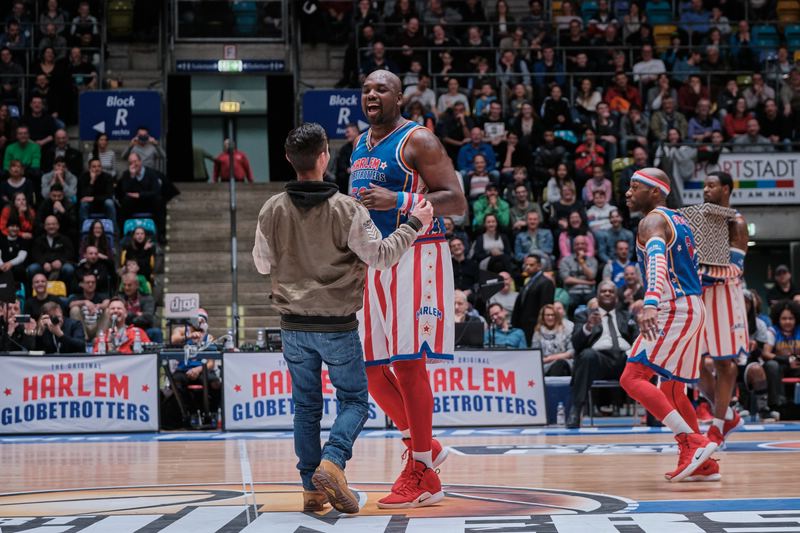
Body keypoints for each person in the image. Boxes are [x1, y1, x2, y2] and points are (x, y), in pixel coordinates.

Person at [253, 122, 434, 514]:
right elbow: (382, 257)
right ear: (323, 158)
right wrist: (414, 224)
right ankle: (333, 462)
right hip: (336, 324)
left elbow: (261, 263)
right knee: (354, 401)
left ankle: (311, 491)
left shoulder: (271, 209)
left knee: (305, 407)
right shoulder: (346, 209)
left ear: (288, 159)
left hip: (293, 327)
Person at [352, 70, 467, 508]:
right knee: (370, 369)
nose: (371, 95)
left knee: (408, 364)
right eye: (366, 90)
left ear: (399, 96)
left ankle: (423, 472)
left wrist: (399, 201)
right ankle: (426, 446)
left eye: (381, 88)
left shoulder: (419, 140)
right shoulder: (361, 145)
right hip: (374, 259)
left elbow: (455, 200)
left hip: (417, 255)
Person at [620, 167, 718, 482]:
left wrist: (650, 302)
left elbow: (658, 261)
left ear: (656, 192)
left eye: (635, 186)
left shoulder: (651, 220)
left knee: (632, 377)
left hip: (672, 307)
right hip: (693, 305)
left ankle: (693, 441)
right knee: (672, 387)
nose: (627, 192)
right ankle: (701, 464)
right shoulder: (682, 221)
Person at [694, 172, 749, 447]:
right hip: (703, 296)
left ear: (725, 189)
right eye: (704, 185)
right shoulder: (704, 224)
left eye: (711, 185)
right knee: (695, 366)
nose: (705, 190)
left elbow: (736, 268)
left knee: (724, 362)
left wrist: (700, 273)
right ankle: (726, 413)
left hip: (726, 297)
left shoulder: (736, 222)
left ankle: (716, 428)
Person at [568, 281, 638, 427]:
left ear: (616, 297)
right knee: (587, 355)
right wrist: (588, 326)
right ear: (597, 295)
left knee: (644, 359)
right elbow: (576, 343)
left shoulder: (626, 316)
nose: (607, 293)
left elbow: (637, 338)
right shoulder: (584, 315)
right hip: (599, 361)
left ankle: (654, 416)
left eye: (611, 291)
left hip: (624, 360)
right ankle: (576, 410)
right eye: (604, 291)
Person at [761, 300, 800, 412]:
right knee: (772, 365)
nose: (787, 321)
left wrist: (793, 359)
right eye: (784, 318)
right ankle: (777, 405)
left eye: (791, 318)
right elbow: (765, 353)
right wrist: (786, 360)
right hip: (780, 365)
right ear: (778, 319)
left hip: (797, 364)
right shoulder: (772, 331)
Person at [512, 254, 555, 345]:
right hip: (523, 325)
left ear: (539, 266)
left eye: (531, 265)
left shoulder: (546, 282)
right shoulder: (528, 282)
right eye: (526, 265)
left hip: (535, 326)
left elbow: (545, 307)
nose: (527, 267)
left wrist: (540, 325)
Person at [27, 215, 74, 286]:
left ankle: (65, 292)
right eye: (48, 224)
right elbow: (35, 254)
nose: (51, 226)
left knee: (69, 269)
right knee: (32, 269)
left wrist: (61, 261)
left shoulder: (65, 239)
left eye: (53, 224)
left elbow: (70, 253)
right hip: (43, 265)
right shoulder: (39, 240)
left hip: (60, 265)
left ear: (58, 226)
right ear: (45, 227)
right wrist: (43, 263)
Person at [532, 304, 573, 376]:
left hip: (563, 362)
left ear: (556, 316)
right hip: (544, 366)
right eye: (547, 315)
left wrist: (550, 358)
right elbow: (535, 353)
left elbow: (571, 352)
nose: (550, 317)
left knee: (559, 364)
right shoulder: (538, 332)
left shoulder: (566, 329)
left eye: (553, 315)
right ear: (543, 317)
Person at [559, 235, 597, 311]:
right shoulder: (565, 260)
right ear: (573, 247)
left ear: (586, 246)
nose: (580, 246)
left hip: (589, 292)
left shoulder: (592, 260)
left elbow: (591, 276)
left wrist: (582, 262)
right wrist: (587, 283)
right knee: (569, 303)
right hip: (572, 292)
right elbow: (567, 280)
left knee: (595, 305)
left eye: (582, 244)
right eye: (577, 244)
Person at [67, 271, 109, 340]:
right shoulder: (76, 297)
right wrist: (85, 302)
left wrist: (99, 306)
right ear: (82, 284)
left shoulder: (101, 296)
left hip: (98, 327)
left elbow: (108, 302)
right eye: (88, 282)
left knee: (108, 310)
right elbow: (71, 304)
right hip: (84, 327)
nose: (90, 284)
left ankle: (99, 339)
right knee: (74, 309)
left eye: (93, 282)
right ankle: (82, 338)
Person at [78, 157, 115, 224]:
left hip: (103, 204)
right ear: (89, 168)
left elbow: (109, 195)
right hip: (90, 206)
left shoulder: (107, 177)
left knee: (109, 203)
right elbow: (83, 196)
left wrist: (93, 199)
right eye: (94, 166)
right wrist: (92, 181)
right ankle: (84, 230)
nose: (97, 168)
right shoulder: (83, 177)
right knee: (83, 204)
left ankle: (113, 229)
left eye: (99, 166)